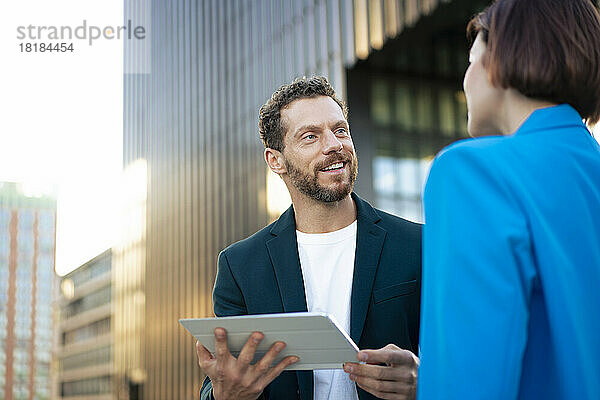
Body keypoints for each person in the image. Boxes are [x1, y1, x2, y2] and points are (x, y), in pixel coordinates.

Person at [196, 76, 422, 400]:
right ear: (276, 160)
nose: (333, 144)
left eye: (340, 129)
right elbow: (216, 384)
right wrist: (225, 396)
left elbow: (469, 361)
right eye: (310, 136)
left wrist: (426, 381)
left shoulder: (418, 246)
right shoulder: (240, 266)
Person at [418, 0, 600, 398]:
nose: (464, 78)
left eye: (470, 60)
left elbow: (470, 385)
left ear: (498, 60)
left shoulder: (471, 174)